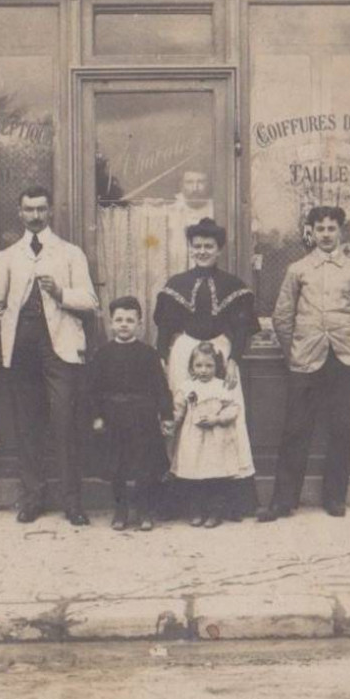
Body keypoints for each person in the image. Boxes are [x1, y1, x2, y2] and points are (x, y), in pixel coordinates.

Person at [258, 206, 350, 522]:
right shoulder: (297, 270)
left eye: (332, 228)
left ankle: (334, 499)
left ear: (340, 232)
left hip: (344, 359)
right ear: (310, 232)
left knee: (341, 429)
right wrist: (294, 351)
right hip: (305, 359)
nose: (326, 234)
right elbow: (282, 317)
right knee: (295, 430)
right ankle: (283, 502)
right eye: (320, 228)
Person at [0, 186, 98, 526]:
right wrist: (13, 321)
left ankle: (72, 501)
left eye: (41, 209)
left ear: (50, 212)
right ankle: (33, 497)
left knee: (65, 424)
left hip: (60, 348)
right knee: (28, 426)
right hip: (21, 350)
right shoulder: (8, 256)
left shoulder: (69, 253)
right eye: (29, 210)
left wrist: (61, 293)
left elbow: (90, 300)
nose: (35, 216)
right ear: (20, 213)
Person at [154, 216, 259, 519]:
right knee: (182, 418)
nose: (202, 251)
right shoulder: (176, 284)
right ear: (190, 248)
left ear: (219, 249)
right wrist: (162, 357)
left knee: (226, 417)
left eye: (208, 246)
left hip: (221, 354)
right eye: (197, 246)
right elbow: (164, 328)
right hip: (184, 352)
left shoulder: (234, 286)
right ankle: (183, 501)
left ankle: (228, 501)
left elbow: (241, 329)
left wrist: (235, 359)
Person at [88, 296, 173, 532]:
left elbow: (160, 388)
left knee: (144, 467)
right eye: (119, 320)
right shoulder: (102, 354)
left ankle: (144, 510)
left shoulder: (148, 354)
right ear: (111, 323)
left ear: (139, 324)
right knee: (117, 468)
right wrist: (97, 416)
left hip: (142, 420)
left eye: (130, 320)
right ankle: (121, 510)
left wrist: (166, 416)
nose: (124, 324)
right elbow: (92, 390)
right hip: (114, 419)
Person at [171, 341, 255, 528]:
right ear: (192, 366)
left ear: (217, 366)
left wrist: (218, 419)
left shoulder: (222, 386)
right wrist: (171, 424)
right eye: (198, 365)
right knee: (194, 476)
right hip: (193, 438)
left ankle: (214, 512)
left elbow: (233, 409)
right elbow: (178, 409)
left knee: (214, 476)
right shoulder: (187, 386)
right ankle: (196, 511)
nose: (204, 370)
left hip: (216, 439)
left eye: (209, 365)